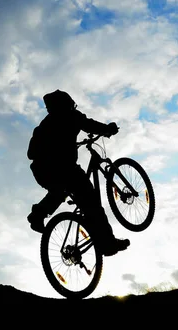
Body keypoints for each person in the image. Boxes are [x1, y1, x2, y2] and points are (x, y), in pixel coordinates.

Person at [26, 89, 130, 257]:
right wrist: (109, 129)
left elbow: (31, 153)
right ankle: (107, 244)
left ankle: (38, 214)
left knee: (60, 191)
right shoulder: (71, 115)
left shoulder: (45, 123)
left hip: (41, 170)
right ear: (67, 103)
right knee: (92, 204)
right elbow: (91, 125)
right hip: (63, 168)